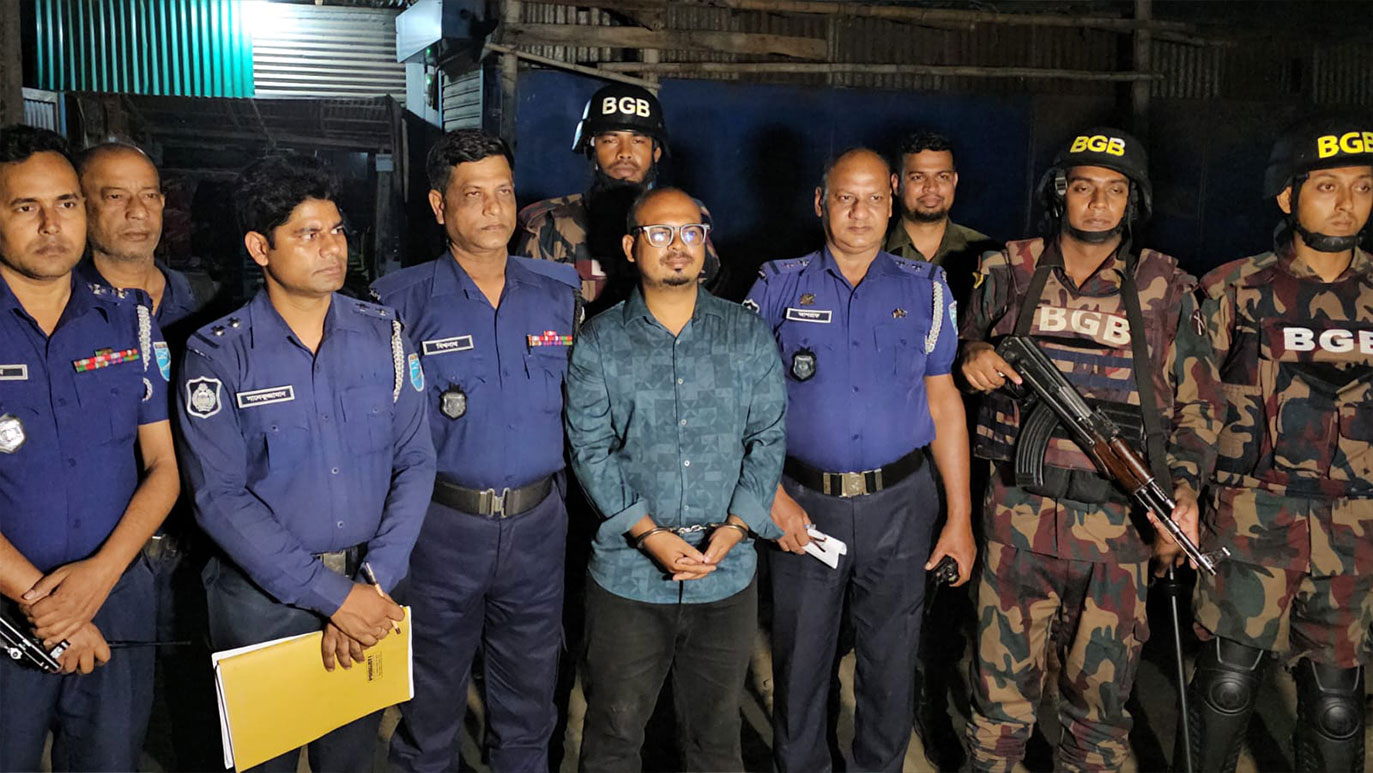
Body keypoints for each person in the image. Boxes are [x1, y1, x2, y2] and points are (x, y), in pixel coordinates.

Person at [959, 128, 1220, 771]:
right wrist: (975, 355)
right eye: (1083, 187)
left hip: (1117, 534)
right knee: (997, 708)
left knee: (1098, 715)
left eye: (1114, 190)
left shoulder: (1165, 287)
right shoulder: (1008, 270)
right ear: (1060, 194)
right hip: (1015, 524)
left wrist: (1184, 490)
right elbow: (958, 350)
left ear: (1133, 201)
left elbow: (1200, 407)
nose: (1098, 203)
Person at [177, 155, 436, 773]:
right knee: (263, 762)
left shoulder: (384, 336)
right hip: (264, 604)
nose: (332, 247)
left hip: (372, 588)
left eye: (338, 230)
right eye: (308, 233)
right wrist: (333, 597)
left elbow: (415, 457)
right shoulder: (218, 353)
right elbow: (218, 497)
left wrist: (373, 585)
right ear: (260, 248)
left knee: (349, 759)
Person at [746, 147, 975, 773]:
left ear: (892, 202)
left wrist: (960, 519)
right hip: (803, 504)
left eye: (874, 198)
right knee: (800, 663)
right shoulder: (777, 283)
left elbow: (944, 401)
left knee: (891, 664)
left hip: (900, 506)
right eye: (846, 197)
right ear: (821, 202)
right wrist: (769, 496)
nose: (860, 212)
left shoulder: (926, 289)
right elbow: (742, 399)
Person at [371, 129, 580, 772]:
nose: (494, 208)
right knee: (429, 709)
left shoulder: (560, 293)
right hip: (440, 533)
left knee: (529, 711)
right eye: (474, 195)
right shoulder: (395, 303)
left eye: (504, 192)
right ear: (440, 206)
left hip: (537, 531)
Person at [565, 186, 786, 771]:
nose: (678, 245)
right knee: (614, 735)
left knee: (715, 740)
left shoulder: (746, 335)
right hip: (629, 579)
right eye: (660, 233)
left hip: (725, 574)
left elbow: (768, 437)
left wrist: (737, 526)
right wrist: (647, 533)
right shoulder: (600, 341)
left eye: (691, 232)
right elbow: (590, 448)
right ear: (630, 246)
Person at [1183, 115, 1373, 773]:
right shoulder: (1233, 289)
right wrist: (1180, 490)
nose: (1346, 203)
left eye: (1362, 186)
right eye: (1326, 186)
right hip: (1250, 518)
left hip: (1355, 527)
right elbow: (1192, 405)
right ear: (1288, 196)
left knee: (1336, 706)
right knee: (1226, 686)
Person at [0, 125, 180, 771]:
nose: (52, 225)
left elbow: (163, 467)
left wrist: (98, 580)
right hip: (10, 614)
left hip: (117, 601)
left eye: (67, 203)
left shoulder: (129, 319)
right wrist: (52, 606)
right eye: (26, 207)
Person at [74, 139, 219, 771]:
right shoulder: (60, 312)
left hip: (199, 554)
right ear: (82, 206)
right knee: (110, 735)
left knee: (208, 729)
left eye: (150, 196)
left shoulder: (208, 305)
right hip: (104, 564)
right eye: (115, 196)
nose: (138, 212)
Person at [514, 83, 720, 308]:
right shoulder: (550, 226)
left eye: (638, 141)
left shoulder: (688, 222)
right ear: (591, 149)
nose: (625, 153)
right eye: (610, 140)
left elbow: (707, 311)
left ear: (656, 152)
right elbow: (526, 312)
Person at [885, 130, 1000, 308]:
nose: (931, 187)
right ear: (896, 183)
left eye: (942, 177)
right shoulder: (870, 253)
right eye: (918, 177)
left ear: (954, 181)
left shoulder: (988, 255)